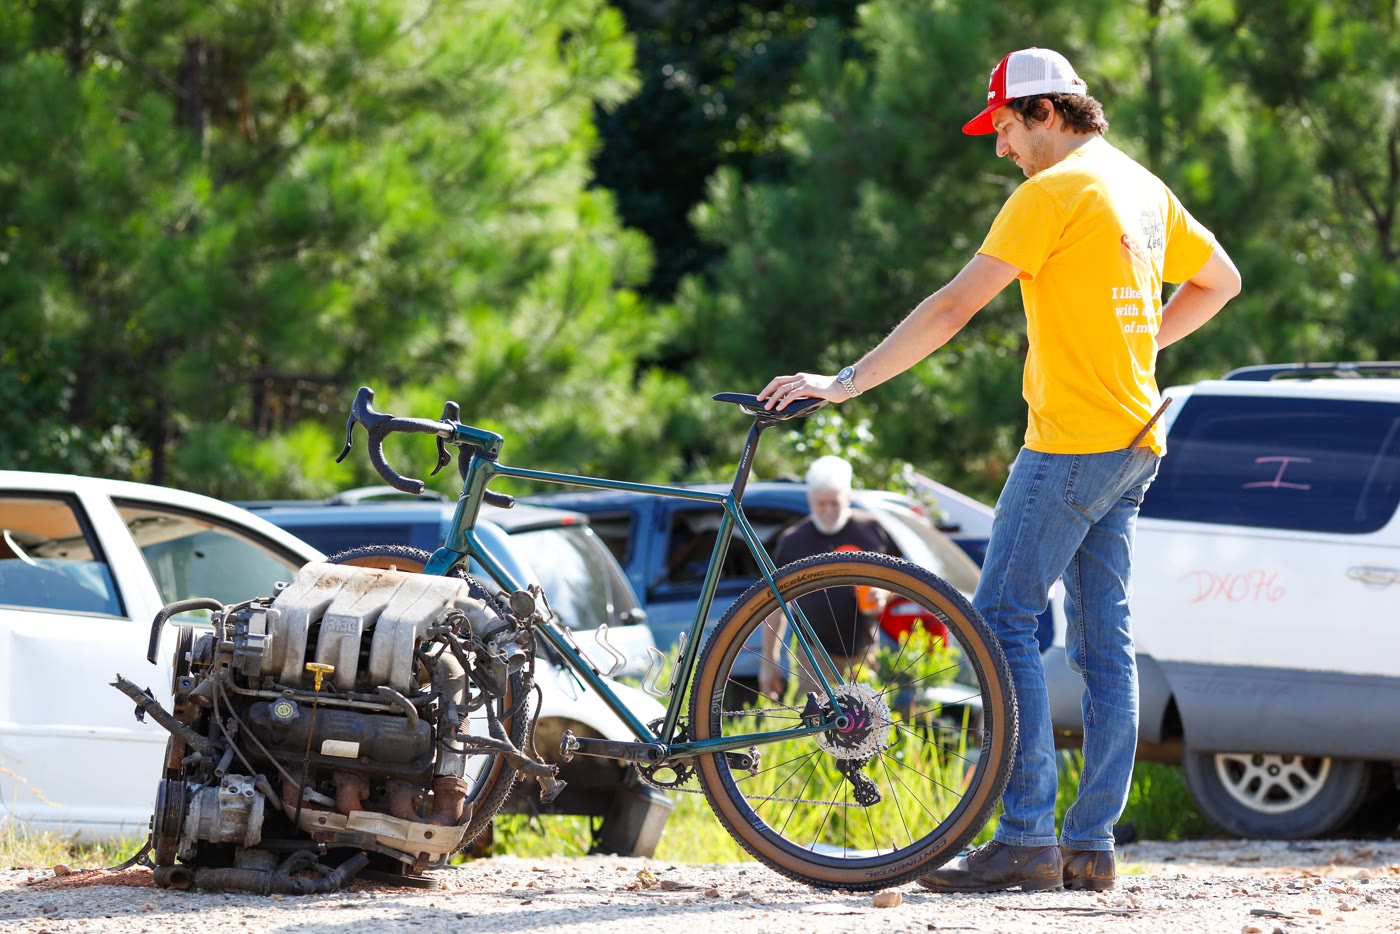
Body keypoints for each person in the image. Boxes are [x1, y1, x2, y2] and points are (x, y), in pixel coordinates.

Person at [758, 47, 1241, 893]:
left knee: (998, 624)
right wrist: (1136, 353)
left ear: (1046, 112)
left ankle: (1024, 838)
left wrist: (844, 383)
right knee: (1104, 645)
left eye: (1007, 127)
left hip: (1070, 445)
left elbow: (952, 307)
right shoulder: (1139, 186)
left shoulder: (1052, 192)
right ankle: (1090, 844)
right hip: (1134, 441)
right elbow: (1221, 281)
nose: (1001, 148)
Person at [757, 455, 898, 700]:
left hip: (864, 651)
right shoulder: (793, 540)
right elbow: (775, 605)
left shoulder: (871, 530)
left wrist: (884, 593)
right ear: (810, 499)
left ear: (848, 498)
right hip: (813, 654)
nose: (829, 511)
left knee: (867, 718)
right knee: (816, 718)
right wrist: (769, 659)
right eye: (821, 503)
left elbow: (902, 579)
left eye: (835, 502)